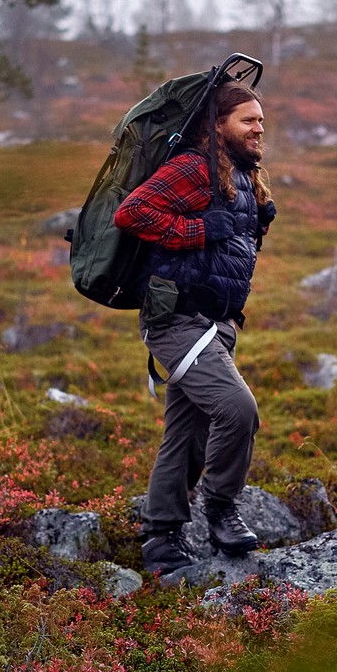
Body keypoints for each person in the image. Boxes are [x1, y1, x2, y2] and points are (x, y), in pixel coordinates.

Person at [113, 82, 277, 571]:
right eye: (248, 120)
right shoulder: (193, 167)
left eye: (261, 120)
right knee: (237, 409)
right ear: (219, 124)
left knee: (186, 435)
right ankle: (222, 510)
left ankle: (161, 538)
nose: (259, 127)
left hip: (217, 322)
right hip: (178, 319)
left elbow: (231, 243)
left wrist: (255, 221)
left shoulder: (244, 175)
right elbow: (132, 212)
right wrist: (199, 230)